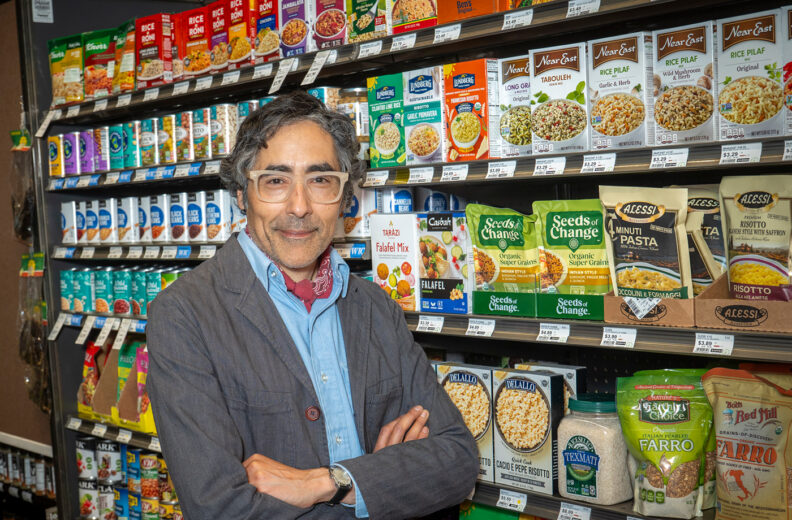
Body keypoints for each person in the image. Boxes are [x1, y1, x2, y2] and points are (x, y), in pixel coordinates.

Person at [146, 91, 479, 519]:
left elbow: (457, 459)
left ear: (344, 197)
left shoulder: (376, 306)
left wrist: (329, 483)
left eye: (320, 180)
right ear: (243, 194)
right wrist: (386, 480)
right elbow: (220, 507)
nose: (300, 206)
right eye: (275, 180)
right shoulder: (185, 314)